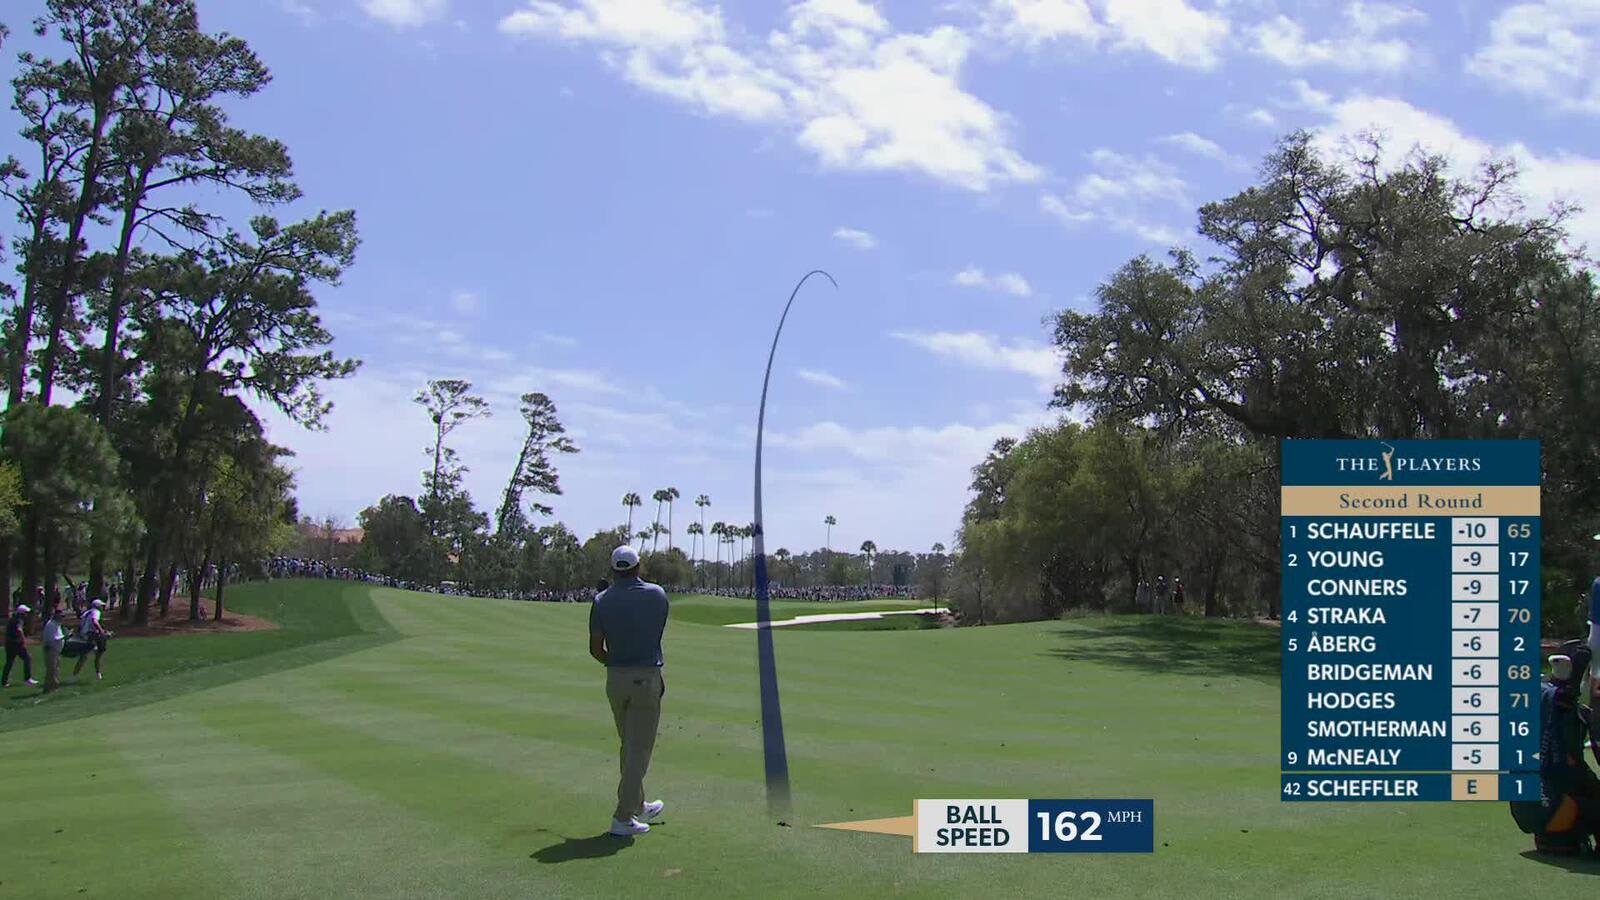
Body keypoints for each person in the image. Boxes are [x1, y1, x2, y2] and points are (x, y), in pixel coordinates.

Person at [589, 545, 669, 837]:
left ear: (613, 570)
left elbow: (596, 648)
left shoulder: (601, 601)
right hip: (646, 677)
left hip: (615, 678)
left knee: (629, 743)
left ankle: (638, 802)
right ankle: (623, 817)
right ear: (638, 567)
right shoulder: (657, 595)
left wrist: (618, 663)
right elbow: (655, 633)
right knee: (639, 748)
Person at [73, 598, 110, 682]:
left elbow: (81, 624)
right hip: (91, 634)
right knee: (99, 654)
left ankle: (75, 675)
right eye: (101, 606)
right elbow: (94, 621)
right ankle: (98, 674)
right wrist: (102, 632)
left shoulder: (86, 612)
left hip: (84, 634)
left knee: (84, 656)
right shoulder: (96, 612)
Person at [2, 602, 35, 687]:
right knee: (27, 658)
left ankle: (4, 681)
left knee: (9, 662)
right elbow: (19, 630)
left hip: (9, 644)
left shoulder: (12, 618)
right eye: (26, 613)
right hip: (16, 643)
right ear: (22, 613)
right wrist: (24, 641)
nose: (27, 614)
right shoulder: (19, 619)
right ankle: (27, 679)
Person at [40, 596, 65, 692]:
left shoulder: (57, 624)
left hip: (56, 650)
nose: (62, 619)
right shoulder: (51, 625)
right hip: (51, 650)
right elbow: (49, 639)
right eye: (61, 617)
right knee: (51, 669)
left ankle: (53, 686)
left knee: (55, 669)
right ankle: (49, 687)